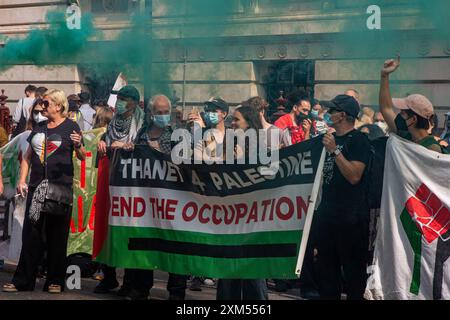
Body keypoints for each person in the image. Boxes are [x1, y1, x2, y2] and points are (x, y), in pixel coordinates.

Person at [2, 89, 86, 294]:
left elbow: (82, 156)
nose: (42, 106)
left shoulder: (71, 126)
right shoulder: (39, 127)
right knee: (32, 234)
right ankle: (23, 280)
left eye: (46, 103)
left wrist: (78, 145)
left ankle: (55, 281)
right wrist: (22, 180)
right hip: (37, 188)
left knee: (58, 235)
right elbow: (28, 157)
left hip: (60, 188)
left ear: (59, 106)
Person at [122, 95, 189, 300]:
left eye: (165, 112)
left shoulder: (178, 134)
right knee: (146, 243)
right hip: (147, 201)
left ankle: (176, 292)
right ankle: (141, 288)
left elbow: (187, 162)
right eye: (158, 112)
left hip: (172, 200)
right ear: (150, 114)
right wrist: (129, 149)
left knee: (175, 246)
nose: (162, 116)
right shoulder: (142, 133)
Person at [314, 94, 371, 300]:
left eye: (332, 111)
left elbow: (354, 176)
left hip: (351, 220)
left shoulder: (359, 141)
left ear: (343, 115)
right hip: (327, 217)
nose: (328, 115)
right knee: (327, 275)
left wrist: (334, 151)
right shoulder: (328, 139)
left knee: (354, 276)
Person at [94, 85, 144, 297]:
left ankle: (130, 282)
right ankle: (109, 276)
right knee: (108, 227)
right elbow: (107, 137)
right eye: (119, 98)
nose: (119, 102)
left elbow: (143, 147)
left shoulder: (142, 124)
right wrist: (102, 142)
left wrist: (125, 146)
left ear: (134, 101)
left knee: (129, 230)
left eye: (123, 98)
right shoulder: (114, 122)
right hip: (112, 178)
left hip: (132, 183)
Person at [216, 105, 268, 301]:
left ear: (250, 122)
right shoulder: (229, 146)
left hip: (253, 220)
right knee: (228, 272)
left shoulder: (261, 150)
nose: (233, 123)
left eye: (237, 119)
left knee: (252, 272)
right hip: (230, 218)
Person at [379, 55, 442, 153]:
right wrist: (384, 75)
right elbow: (386, 108)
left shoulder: (432, 149)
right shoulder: (405, 135)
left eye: (403, 113)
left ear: (413, 119)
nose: (399, 115)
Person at [188, 97, 230, 163]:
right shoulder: (201, 134)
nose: (209, 114)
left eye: (213, 111)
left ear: (224, 114)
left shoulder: (232, 135)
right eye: (207, 110)